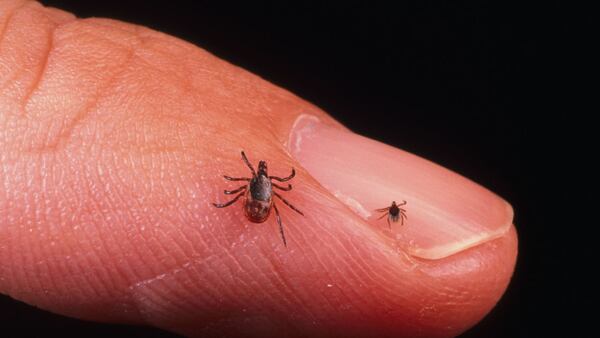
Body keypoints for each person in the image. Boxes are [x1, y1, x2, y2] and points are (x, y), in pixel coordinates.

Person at [0, 1, 517, 337]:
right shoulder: (266, 188)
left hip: (261, 207)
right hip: (265, 208)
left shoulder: (256, 187)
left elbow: (257, 185)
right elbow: (270, 185)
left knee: (264, 206)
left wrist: (250, 190)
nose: (259, 183)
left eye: (259, 182)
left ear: (258, 188)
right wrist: (258, 192)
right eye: (257, 182)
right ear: (258, 188)